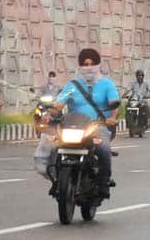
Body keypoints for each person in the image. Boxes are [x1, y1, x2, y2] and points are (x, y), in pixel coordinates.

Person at [43, 48, 120, 200]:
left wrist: (112, 117)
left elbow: (114, 105)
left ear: (98, 65)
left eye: (92, 64)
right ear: (80, 66)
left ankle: (103, 184)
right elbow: (59, 104)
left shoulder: (107, 85)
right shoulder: (72, 85)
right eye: (85, 64)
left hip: (98, 127)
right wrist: (49, 114)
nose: (89, 67)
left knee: (104, 150)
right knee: (52, 148)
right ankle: (56, 181)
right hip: (74, 127)